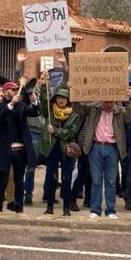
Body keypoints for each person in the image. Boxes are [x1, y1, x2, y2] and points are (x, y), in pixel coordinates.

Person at [76, 92, 131, 219]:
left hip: (112, 148)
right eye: (106, 102)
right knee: (96, 180)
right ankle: (95, 210)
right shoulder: (94, 109)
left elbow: (130, 118)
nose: (109, 104)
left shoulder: (120, 111)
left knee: (111, 181)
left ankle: (110, 210)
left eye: (111, 102)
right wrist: (73, 92)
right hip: (95, 147)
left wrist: (128, 101)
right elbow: (78, 109)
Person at [0, 80, 40, 213]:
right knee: (1, 182)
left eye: (16, 90)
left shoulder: (21, 105)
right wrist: (11, 104)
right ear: (5, 91)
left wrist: (34, 102)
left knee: (19, 181)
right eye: (12, 90)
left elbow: (35, 113)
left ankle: (19, 208)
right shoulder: (0, 105)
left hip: (20, 151)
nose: (15, 92)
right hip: (5, 150)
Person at [38, 83, 81, 216]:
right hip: (51, 148)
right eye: (58, 97)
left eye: (63, 98)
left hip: (66, 150)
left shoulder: (74, 115)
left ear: (68, 99)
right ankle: (49, 207)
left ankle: (66, 208)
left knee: (67, 178)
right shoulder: (50, 112)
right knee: (51, 178)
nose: (61, 100)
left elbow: (70, 133)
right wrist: (44, 85)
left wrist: (55, 131)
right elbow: (43, 101)